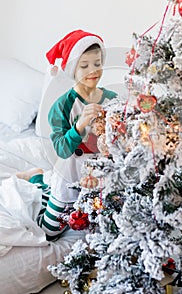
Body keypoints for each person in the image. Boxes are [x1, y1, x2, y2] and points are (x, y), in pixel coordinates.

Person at [16, 30, 117, 240]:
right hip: (68, 176)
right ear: (72, 69)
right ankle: (39, 180)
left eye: (97, 63)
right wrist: (79, 125)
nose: (93, 71)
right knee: (50, 232)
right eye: (84, 65)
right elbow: (61, 150)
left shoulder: (112, 99)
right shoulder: (62, 105)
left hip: (98, 181)